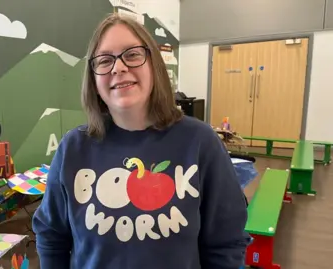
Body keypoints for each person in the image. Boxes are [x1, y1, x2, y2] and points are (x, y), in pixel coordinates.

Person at [32, 13, 250, 269]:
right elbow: (51, 236)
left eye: (132, 54)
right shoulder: (72, 148)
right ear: (94, 79)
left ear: (154, 65)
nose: (118, 67)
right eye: (104, 60)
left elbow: (226, 243)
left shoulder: (201, 142)